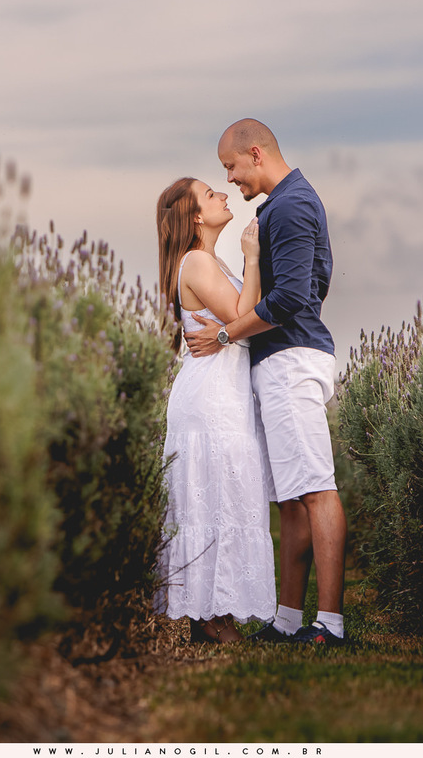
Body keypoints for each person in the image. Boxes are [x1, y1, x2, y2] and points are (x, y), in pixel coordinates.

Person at [185, 119, 347, 646]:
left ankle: (329, 625)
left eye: (230, 166)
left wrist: (226, 334)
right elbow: (313, 284)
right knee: (291, 499)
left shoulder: (292, 205)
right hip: (279, 360)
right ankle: (286, 620)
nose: (230, 178)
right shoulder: (280, 206)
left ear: (255, 153)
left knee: (316, 488)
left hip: (291, 362)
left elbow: (293, 297)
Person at [153, 176, 277, 643]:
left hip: (223, 393)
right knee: (216, 499)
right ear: (195, 218)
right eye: (210, 194)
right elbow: (243, 315)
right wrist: (253, 258)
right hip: (210, 399)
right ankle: (210, 616)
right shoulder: (198, 261)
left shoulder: (208, 260)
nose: (223, 195)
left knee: (226, 498)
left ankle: (216, 609)